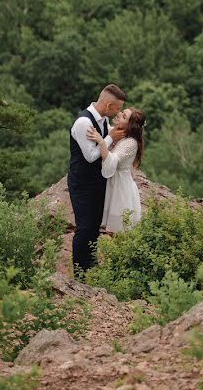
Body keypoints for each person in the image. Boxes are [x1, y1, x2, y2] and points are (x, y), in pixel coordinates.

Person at [68, 84, 126, 277]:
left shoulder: (102, 120)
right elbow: (91, 156)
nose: (118, 112)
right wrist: (108, 138)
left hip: (97, 182)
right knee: (84, 227)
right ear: (109, 104)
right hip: (82, 182)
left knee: (94, 227)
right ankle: (78, 274)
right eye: (117, 108)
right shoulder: (84, 122)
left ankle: (90, 268)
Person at [86, 107, 146, 233]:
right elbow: (104, 127)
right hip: (111, 184)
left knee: (119, 228)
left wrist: (102, 142)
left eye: (124, 116)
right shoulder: (117, 132)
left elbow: (111, 161)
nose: (119, 114)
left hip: (120, 188)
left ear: (130, 126)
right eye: (122, 112)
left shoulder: (130, 143)